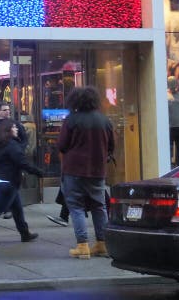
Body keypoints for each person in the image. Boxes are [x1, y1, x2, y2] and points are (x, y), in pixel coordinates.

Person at [58, 86, 115, 259]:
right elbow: (111, 146)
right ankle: (102, 244)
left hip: (74, 169)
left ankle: (82, 246)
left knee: (76, 207)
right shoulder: (104, 121)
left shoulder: (71, 120)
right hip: (97, 170)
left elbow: (62, 145)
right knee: (99, 206)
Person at [0, 118, 41, 245]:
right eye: (14, 127)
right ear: (8, 130)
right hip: (7, 182)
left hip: (0, 181)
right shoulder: (12, 145)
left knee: (17, 209)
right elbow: (22, 162)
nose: (17, 129)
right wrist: (38, 172)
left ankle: (25, 233)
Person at [168, 76, 179, 166]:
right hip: (169, 127)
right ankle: (168, 165)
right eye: (171, 83)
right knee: (169, 147)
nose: (173, 85)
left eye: (174, 82)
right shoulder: (165, 95)